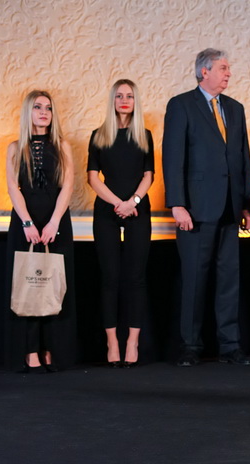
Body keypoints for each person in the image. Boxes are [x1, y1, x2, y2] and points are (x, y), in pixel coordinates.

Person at [162, 48, 250, 366]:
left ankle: (230, 346)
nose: (228, 73)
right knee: (194, 279)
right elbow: (173, 158)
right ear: (204, 71)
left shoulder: (235, 108)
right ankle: (190, 346)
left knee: (229, 280)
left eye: (228, 68)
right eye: (223, 68)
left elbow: (243, 158)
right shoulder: (181, 105)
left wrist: (247, 204)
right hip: (196, 210)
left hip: (230, 208)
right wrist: (177, 204)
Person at [5, 90, 77, 373]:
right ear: (29, 112)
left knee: (54, 284)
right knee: (28, 284)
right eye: (38, 107)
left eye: (48, 108)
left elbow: (68, 186)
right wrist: (27, 223)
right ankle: (30, 350)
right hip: (25, 222)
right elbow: (13, 188)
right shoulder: (15, 147)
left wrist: (54, 222)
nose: (44, 112)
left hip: (56, 220)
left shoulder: (62, 146)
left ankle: (52, 349)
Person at [88, 79, 154, 368]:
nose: (124, 100)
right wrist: (118, 203)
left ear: (135, 101)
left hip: (138, 210)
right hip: (107, 211)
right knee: (110, 278)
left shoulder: (145, 136)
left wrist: (133, 202)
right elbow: (92, 178)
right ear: (112, 101)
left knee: (135, 278)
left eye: (129, 96)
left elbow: (149, 176)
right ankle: (112, 341)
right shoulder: (98, 135)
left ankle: (132, 342)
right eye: (119, 96)